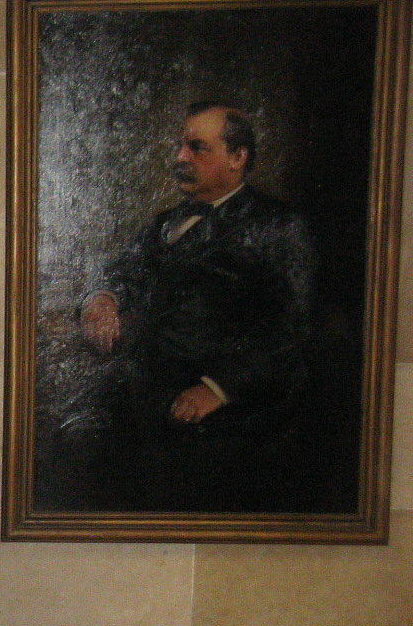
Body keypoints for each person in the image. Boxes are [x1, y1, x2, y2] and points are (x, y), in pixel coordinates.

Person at [76, 102, 316, 512]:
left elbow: (290, 329)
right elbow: (123, 271)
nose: (181, 157)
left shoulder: (279, 227)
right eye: (181, 146)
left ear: (237, 158)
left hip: (229, 417)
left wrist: (219, 389)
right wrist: (101, 298)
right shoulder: (167, 222)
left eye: (197, 147)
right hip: (147, 398)